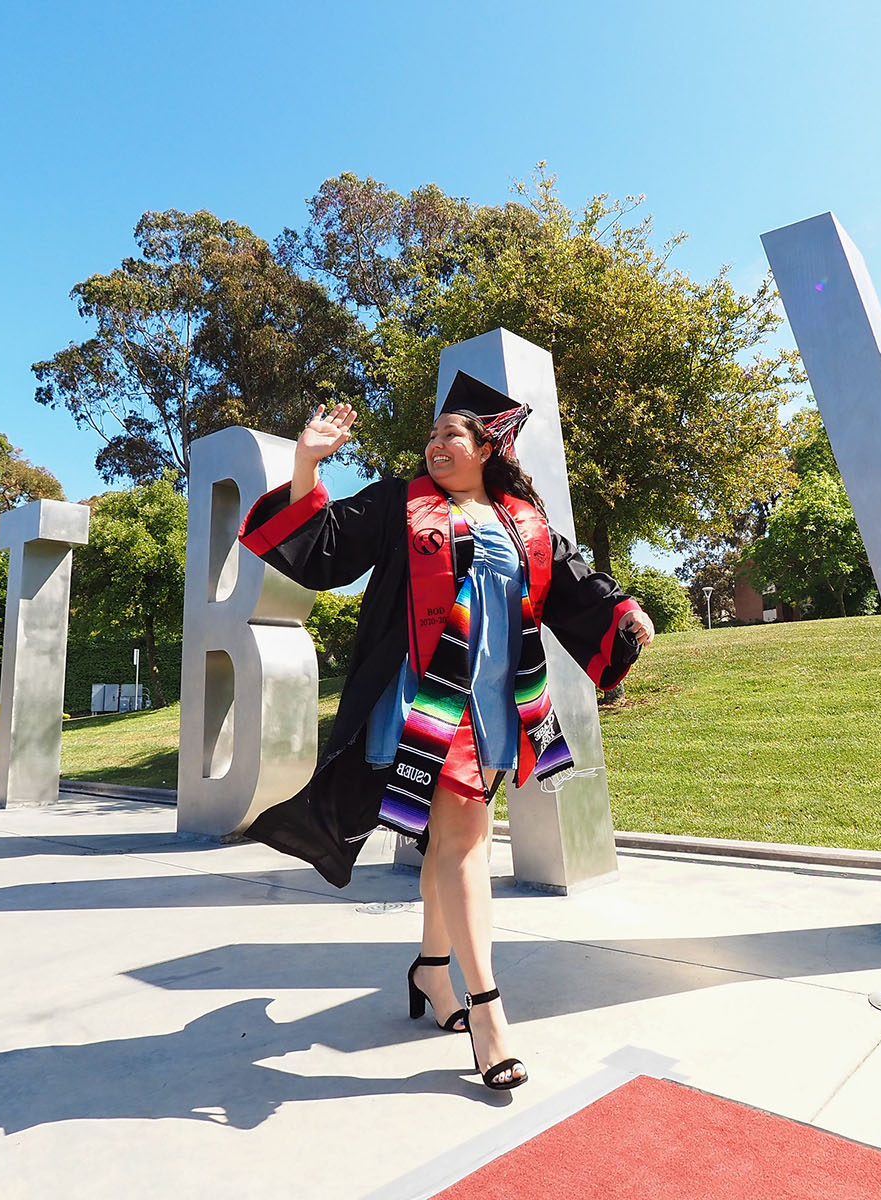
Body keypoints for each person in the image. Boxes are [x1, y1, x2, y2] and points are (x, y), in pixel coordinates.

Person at [236, 373, 655, 1092]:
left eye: (451, 435)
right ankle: (488, 1015)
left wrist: (625, 616)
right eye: (431, 436)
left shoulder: (522, 519)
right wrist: (307, 465)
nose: (435, 446)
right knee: (464, 843)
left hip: (499, 701)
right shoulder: (405, 505)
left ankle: (431, 971)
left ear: (490, 446)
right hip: (426, 702)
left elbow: (573, 583)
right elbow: (325, 546)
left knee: (451, 840)